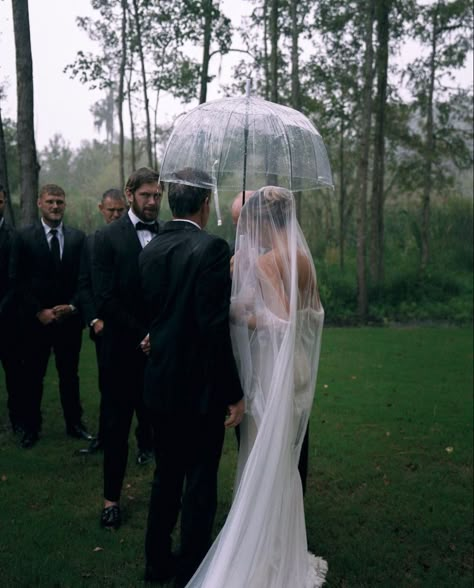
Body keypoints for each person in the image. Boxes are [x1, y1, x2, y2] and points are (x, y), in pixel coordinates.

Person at [186, 186, 327, 587]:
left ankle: (266, 549)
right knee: (283, 459)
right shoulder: (304, 259)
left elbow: (279, 324)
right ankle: (283, 542)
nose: (250, 233)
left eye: (252, 225)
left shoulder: (268, 261)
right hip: (298, 369)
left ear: (266, 221)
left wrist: (237, 312)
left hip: (272, 372)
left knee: (264, 456)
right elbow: (311, 317)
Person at [139, 168, 245, 587]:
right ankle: (193, 569)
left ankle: (156, 564)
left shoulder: (150, 250)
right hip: (199, 390)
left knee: (166, 476)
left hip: (160, 383)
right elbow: (213, 330)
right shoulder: (212, 249)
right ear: (205, 204)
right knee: (199, 481)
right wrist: (234, 394)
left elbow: (162, 317)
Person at [92, 168, 161, 530]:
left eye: (157, 196)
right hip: (120, 352)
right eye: (146, 195)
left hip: (160, 355)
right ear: (130, 194)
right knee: (117, 431)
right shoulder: (106, 238)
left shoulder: (167, 234)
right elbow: (104, 298)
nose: (152, 202)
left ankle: (166, 498)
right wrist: (143, 334)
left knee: (163, 429)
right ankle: (111, 500)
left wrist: (160, 334)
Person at [14, 184, 91, 449]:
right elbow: (18, 281)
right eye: (50, 202)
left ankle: (75, 424)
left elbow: (84, 280)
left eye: (59, 201)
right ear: (39, 203)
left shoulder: (78, 238)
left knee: (70, 375)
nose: (55, 206)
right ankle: (31, 428)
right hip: (36, 322)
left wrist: (72, 306)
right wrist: (38, 311)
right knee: (33, 375)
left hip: (69, 321)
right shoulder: (23, 238)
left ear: (65, 204)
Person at [77, 188, 127, 454]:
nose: (116, 215)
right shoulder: (91, 242)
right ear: (101, 209)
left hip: (131, 325)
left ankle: (146, 443)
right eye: (111, 210)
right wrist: (94, 319)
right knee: (107, 386)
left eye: (121, 210)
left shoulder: (132, 239)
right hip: (104, 328)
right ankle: (105, 437)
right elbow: (84, 285)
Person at [0, 186, 23, 433]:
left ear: (4, 202)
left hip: (6, 318)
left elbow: (15, 278)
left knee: (14, 374)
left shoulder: (13, 236)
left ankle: (18, 420)